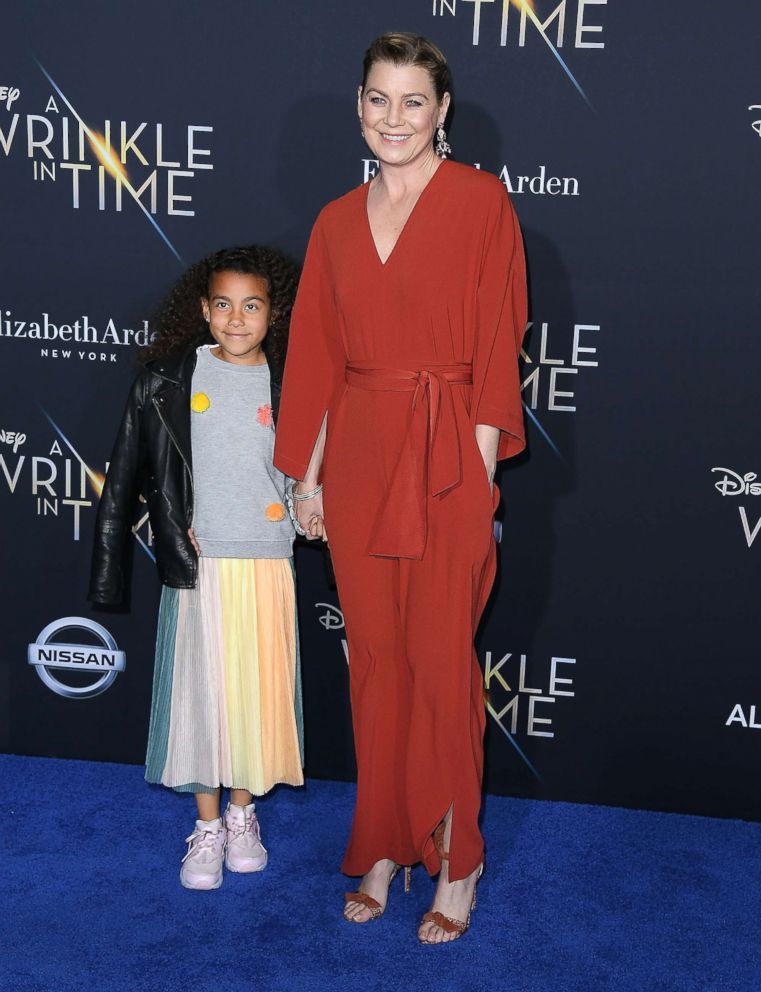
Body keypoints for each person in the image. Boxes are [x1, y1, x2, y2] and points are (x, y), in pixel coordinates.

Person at [273, 32, 527, 943]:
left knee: (441, 665)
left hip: (450, 457)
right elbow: (317, 361)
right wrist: (306, 479)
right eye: (377, 99)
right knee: (374, 662)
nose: (394, 118)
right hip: (361, 461)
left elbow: (500, 337)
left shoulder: (480, 202)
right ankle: (381, 844)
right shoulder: (336, 220)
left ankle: (455, 858)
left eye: (412, 101)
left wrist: (480, 469)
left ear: (442, 111)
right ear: (358, 107)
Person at [89, 245, 304, 890]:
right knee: (201, 699)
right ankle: (207, 826)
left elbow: (315, 472)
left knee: (255, 696)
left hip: (267, 561)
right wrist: (110, 567)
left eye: (252, 305)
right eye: (223, 304)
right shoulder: (167, 380)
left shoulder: (292, 379)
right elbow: (125, 476)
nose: (237, 318)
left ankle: (243, 815)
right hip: (200, 564)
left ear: (274, 313)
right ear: (202, 310)